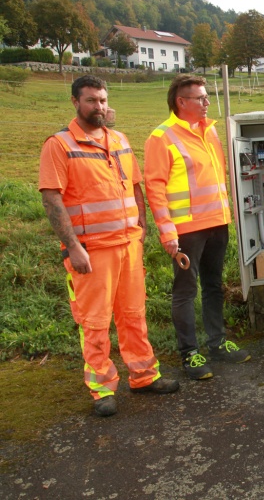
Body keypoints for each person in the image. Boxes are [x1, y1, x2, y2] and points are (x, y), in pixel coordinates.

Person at [39, 75, 179, 417]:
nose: (98, 106)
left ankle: (143, 376)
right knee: (95, 322)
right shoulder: (59, 144)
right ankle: (102, 389)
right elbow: (52, 198)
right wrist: (73, 247)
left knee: (134, 315)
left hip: (128, 245)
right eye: (91, 100)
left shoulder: (118, 139)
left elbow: (134, 186)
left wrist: (141, 225)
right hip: (92, 250)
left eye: (102, 100)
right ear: (75, 102)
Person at [145, 74, 251, 379]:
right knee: (185, 291)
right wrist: (167, 232)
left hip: (217, 223)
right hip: (187, 229)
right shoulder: (161, 138)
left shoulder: (210, 131)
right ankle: (189, 354)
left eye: (207, 97)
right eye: (200, 98)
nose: (207, 103)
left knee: (214, 286)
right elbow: (154, 188)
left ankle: (217, 343)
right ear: (181, 102)